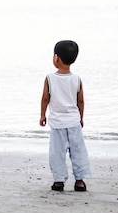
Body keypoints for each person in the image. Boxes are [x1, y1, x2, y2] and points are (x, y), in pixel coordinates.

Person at [39, 40, 91, 192]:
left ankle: (59, 181)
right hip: (73, 122)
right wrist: (81, 117)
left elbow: (45, 98)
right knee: (78, 151)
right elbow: (80, 100)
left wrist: (43, 115)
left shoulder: (50, 78)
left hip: (57, 124)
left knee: (57, 152)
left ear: (56, 58)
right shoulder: (76, 79)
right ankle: (80, 181)